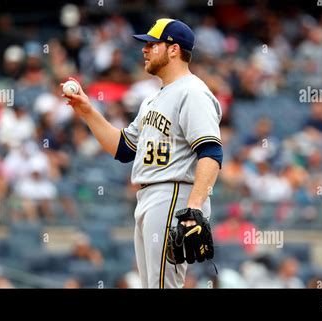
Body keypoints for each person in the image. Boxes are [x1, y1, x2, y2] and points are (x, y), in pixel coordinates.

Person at [64, 18, 223, 288]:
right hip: (150, 195)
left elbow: (211, 152)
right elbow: (124, 148)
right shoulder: (152, 99)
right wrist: (87, 112)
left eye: (152, 44)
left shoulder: (193, 92)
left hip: (173, 193)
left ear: (173, 50)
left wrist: (194, 207)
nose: (144, 49)